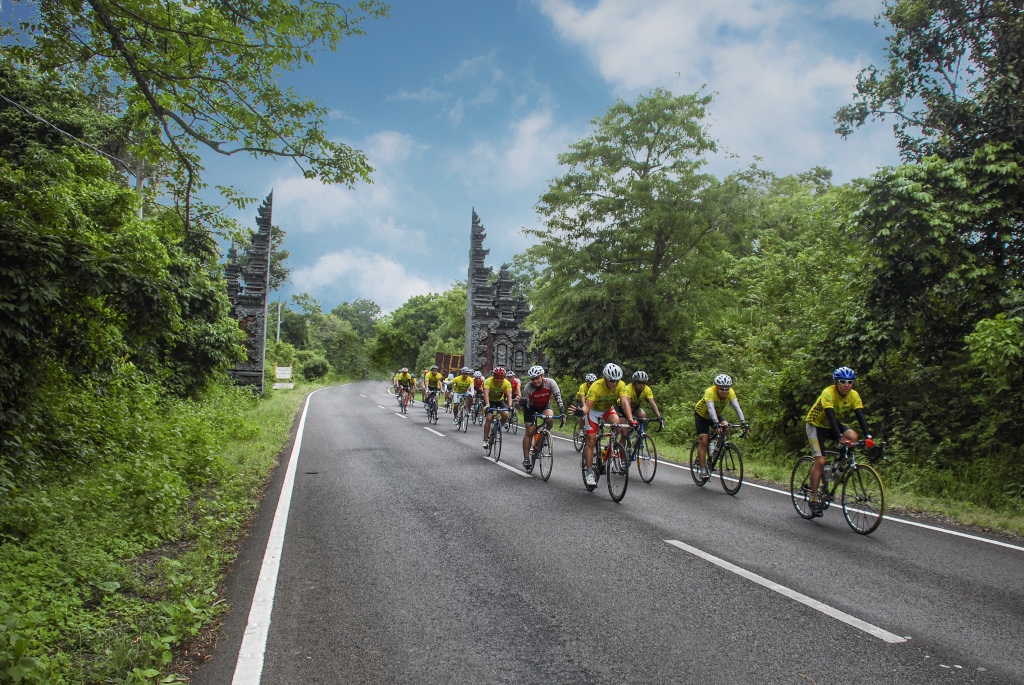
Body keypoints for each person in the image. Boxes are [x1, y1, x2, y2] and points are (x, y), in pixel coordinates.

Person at [805, 366, 871, 517]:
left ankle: (838, 466)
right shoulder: (828, 393)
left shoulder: (854, 395)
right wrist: (841, 438)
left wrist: (868, 436)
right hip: (816, 425)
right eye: (842, 381)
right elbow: (830, 416)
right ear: (836, 383)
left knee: (854, 437)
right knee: (820, 461)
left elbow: (860, 416)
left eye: (850, 382)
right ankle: (814, 498)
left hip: (832, 425)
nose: (846, 385)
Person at [581, 363, 635, 487]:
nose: (614, 384)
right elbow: (588, 406)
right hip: (593, 412)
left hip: (607, 410)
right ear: (605, 378)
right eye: (611, 381)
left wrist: (631, 419)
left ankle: (607, 449)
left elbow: (625, 403)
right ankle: (589, 473)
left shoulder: (621, 385)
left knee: (617, 424)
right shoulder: (596, 386)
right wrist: (582, 412)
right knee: (591, 440)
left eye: (617, 381)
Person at [693, 374, 748, 480]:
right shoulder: (710, 391)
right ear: (716, 387)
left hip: (716, 416)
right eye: (721, 389)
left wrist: (743, 422)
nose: (724, 391)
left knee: (726, 427)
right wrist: (715, 423)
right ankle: (703, 468)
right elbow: (710, 407)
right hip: (702, 415)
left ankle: (716, 450)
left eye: (727, 389)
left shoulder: (730, 393)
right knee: (703, 440)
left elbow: (737, 407)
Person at [519, 365, 566, 469]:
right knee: (530, 431)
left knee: (550, 418)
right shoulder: (528, 388)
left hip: (544, 405)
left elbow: (558, 398)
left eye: (537, 378)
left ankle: (543, 435)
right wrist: (523, 404)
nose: (535, 381)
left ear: (542, 376)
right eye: (532, 379)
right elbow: (526, 405)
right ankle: (526, 459)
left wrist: (563, 413)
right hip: (531, 408)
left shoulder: (550, 383)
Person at [481, 367, 513, 450]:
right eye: (497, 378)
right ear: (494, 377)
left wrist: (509, 405)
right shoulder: (488, 381)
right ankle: (485, 439)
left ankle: (498, 428)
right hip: (490, 401)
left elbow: (509, 395)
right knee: (489, 418)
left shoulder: (507, 383)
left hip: (499, 401)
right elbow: (486, 394)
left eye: (501, 378)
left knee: (505, 414)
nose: (499, 380)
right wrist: (487, 404)